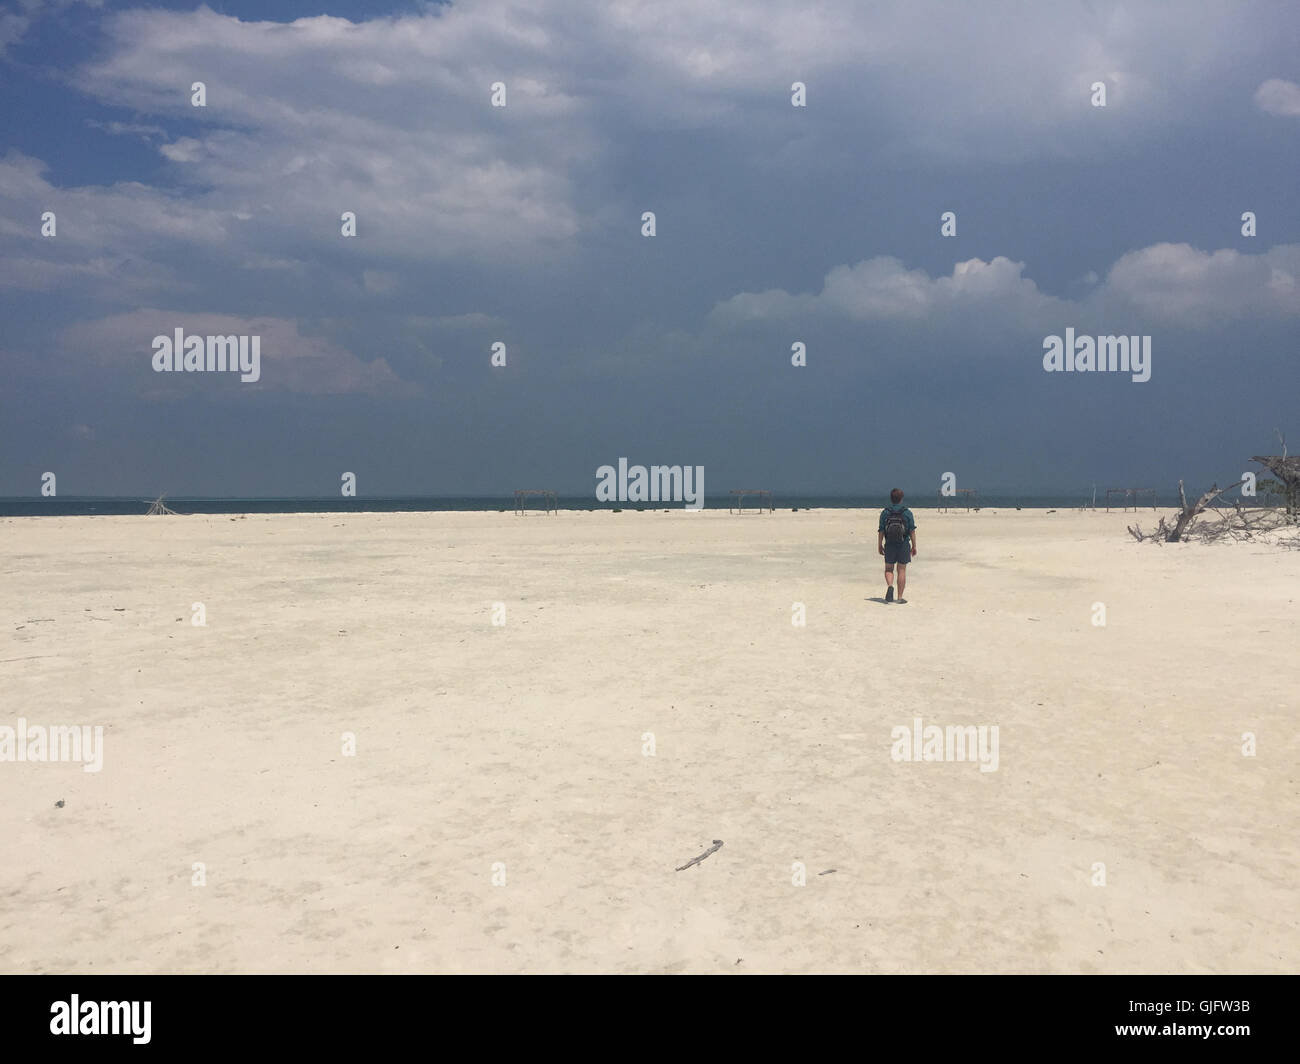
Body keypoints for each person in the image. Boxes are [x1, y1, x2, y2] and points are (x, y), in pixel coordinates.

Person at [877, 488, 917, 603]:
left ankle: (890, 586)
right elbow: (912, 531)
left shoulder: (885, 512)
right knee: (902, 570)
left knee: (889, 569)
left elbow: (881, 531)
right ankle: (899, 598)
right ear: (901, 499)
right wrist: (914, 546)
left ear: (891, 498)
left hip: (889, 544)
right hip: (903, 544)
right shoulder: (907, 512)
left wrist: (879, 545)